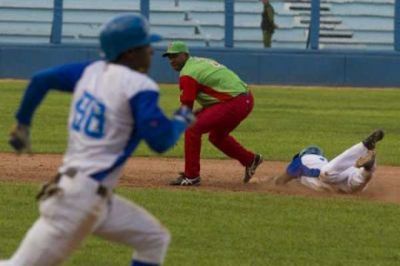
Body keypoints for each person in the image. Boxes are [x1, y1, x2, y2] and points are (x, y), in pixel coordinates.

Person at [1, 14, 195, 266]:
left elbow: (41, 80)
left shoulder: (88, 71)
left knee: (153, 238)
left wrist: (23, 122)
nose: (151, 50)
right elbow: (160, 140)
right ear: (128, 53)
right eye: (145, 46)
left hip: (84, 194)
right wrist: (181, 120)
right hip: (78, 201)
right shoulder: (138, 85)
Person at [162, 41, 263, 186]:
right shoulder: (196, 62)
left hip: (235, 101)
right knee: (217, 137)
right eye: (169, 57)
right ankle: (251, 160)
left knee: (192, 128)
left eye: (175, 56)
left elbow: (187, 106)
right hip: (241, 99)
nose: (171, 60)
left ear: (185, 55)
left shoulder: (188, 73)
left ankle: (192, 176)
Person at [274, 129, 384, 193]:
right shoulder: (323, 161)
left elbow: (280, 181)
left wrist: (264, 184)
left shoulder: (304, 159)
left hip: (329, 176)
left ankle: (364, 146)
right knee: (357, 181)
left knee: (326, 173)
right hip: (341, 180)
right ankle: (367, 168)